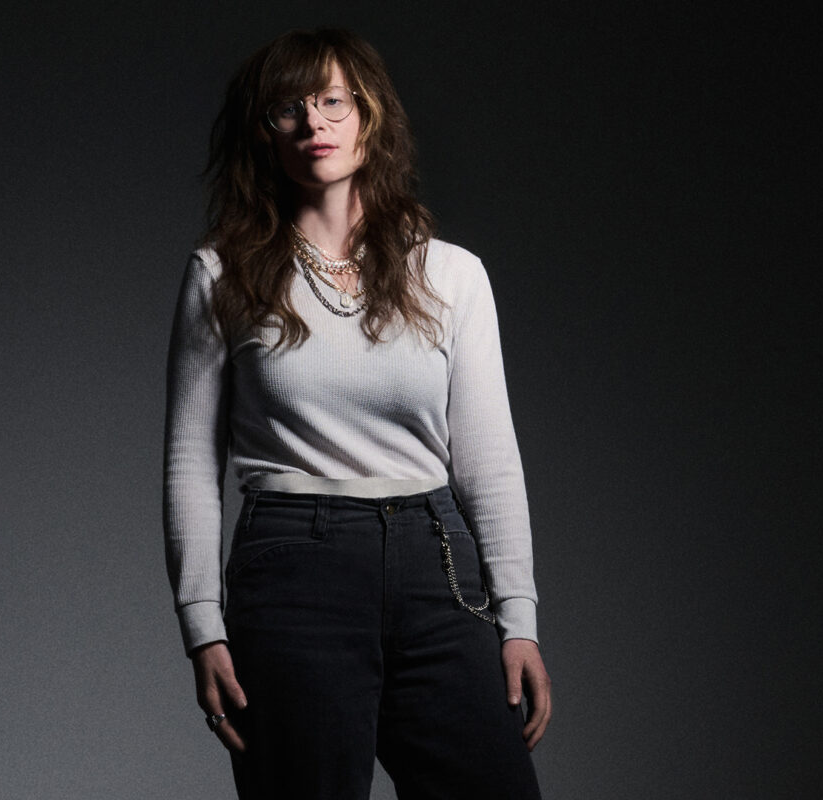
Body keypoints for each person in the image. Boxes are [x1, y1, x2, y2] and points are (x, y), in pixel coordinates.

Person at [163, 27, 551, 800]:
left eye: (333, 102)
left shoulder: (451, 274)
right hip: (291, 569)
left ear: (369, 117)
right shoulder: (222, 272)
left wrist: (518, 618)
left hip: (436, 566)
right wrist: (201, 625)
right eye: (288, 110)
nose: (314, 126)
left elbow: (486, 459)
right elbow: (187, 463)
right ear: (262, 132)